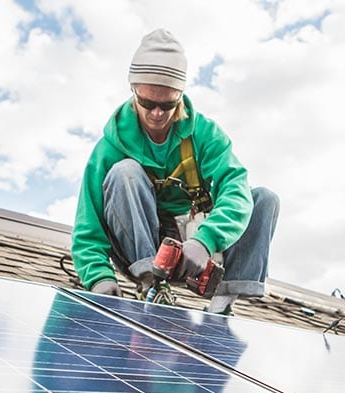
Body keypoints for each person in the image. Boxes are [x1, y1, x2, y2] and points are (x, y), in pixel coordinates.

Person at [71, 29, 279, 314]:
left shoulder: (206, 135)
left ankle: (223, 302)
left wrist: (204, 241)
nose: (157, 113)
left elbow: (236, 191)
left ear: (180, 96)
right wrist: (98, 277)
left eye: (167, 105)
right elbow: (88, 224)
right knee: (125, 173)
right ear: (134, 92)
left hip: (194, 243)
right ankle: (152, 286)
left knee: (264, 199)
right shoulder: (111, 147)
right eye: (147, 103)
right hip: (141, 242)